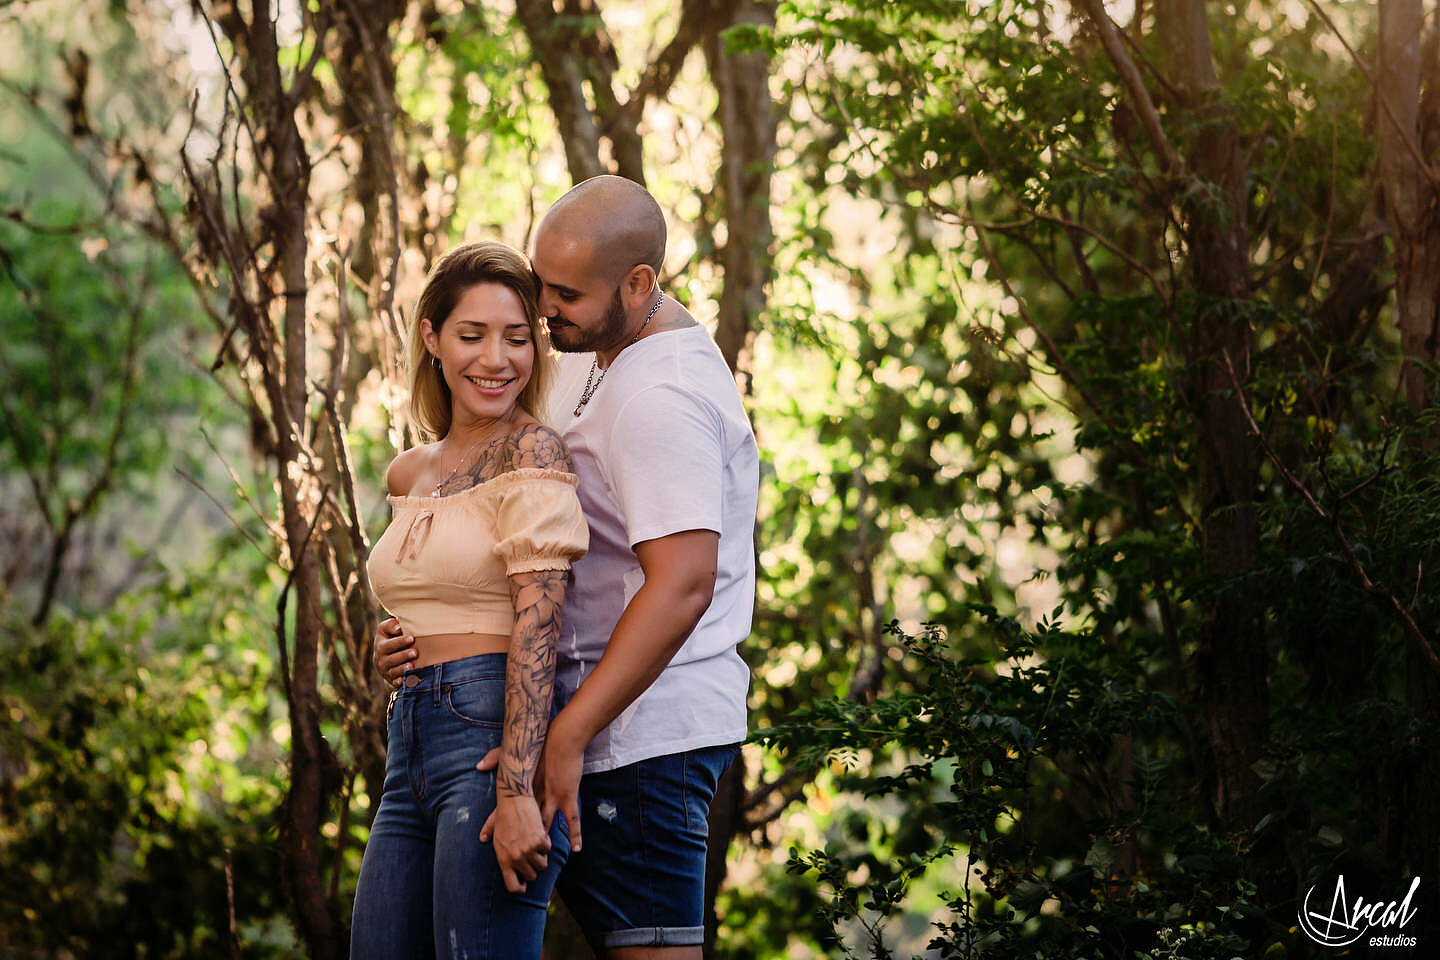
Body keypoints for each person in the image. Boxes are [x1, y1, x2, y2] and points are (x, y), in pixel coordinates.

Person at [375, 176, 759, 957]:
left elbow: (684, 585)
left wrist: (561, 738)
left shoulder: (662, 395)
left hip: (643, 742)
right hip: (567, 725)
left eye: (565, 295)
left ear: (638, 284)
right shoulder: (599, 347)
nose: (544, 311)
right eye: (541, 284)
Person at [353, 241, 588, 960]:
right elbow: (433, 592)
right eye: (472, 335)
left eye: (516, 338)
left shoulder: (532, 453)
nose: (497, 359)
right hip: (409, 744)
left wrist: (517, 789)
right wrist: (392, 643)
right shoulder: (410, 470)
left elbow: (539, 625)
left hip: (488, 739)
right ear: (432, 338)